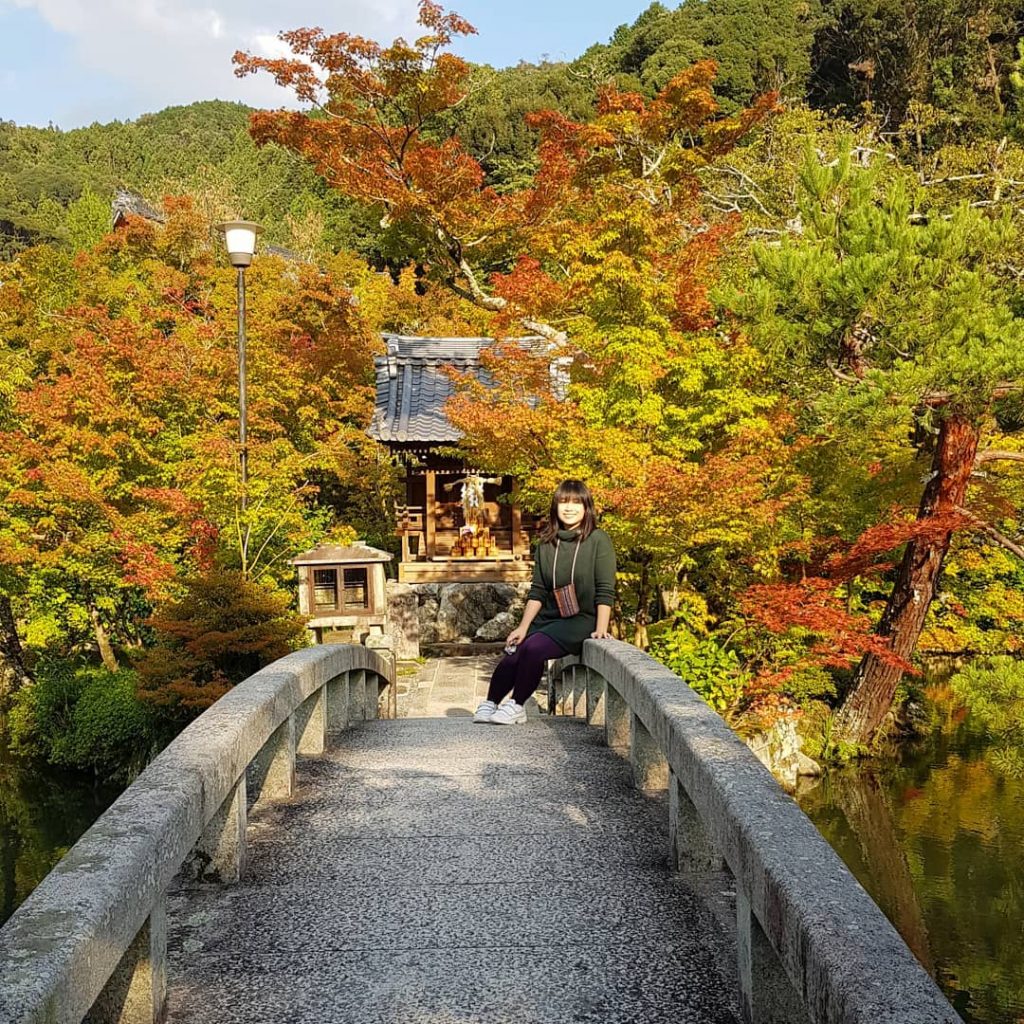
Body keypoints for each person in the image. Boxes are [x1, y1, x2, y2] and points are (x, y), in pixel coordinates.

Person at [474, 479, 616, 725]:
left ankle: (517, 705)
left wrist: (601, 627)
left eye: (575, 503)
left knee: (534, 649)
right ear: (555, 506)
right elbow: (538, 591)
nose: (569, 508)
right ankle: (491, 702)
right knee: (515, 651)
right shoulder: (546, 543)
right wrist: (523, 627)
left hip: (581, 619)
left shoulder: (598, 540)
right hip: (550, 616)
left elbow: (605, 589)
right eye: (563, 502)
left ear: (586, 507)